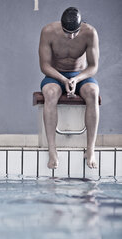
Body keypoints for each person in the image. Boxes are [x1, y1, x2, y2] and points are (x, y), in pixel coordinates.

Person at [39, 7, 99, 169]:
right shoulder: (48, 31)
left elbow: (93, 66)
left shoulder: (90, 33)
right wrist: (64, 79)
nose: (71, 36)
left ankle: (90, 150)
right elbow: (44, 66)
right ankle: (53, 150)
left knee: (93, 92)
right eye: (67, 32)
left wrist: (76, 79)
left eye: (75, 33)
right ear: (61, 26)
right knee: (50, 93)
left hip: (80, 75)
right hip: (55, 75)